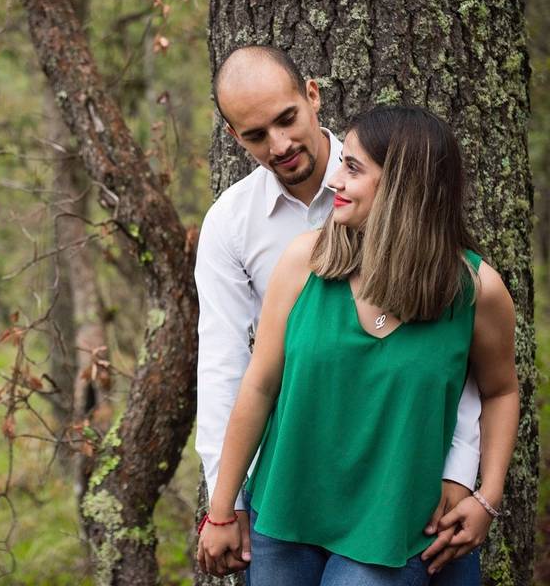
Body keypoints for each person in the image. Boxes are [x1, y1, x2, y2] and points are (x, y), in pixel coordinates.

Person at [196, 104, 520, 585]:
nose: (334, 182)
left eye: (352, 168)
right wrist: (222, 511)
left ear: (404, 186)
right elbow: (258, 386)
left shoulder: (475, 290)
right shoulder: (306, 260)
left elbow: (500, 392)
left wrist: (487, 496)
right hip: (285, 517)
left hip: (393, 529)